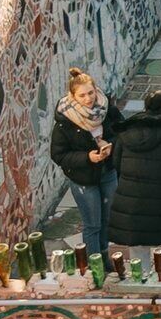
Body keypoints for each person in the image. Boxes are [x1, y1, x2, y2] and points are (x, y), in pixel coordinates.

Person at [105, 90, 161, 269]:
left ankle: (142, 286)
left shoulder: (126, 131)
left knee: (138, 247)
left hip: (131, 200)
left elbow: (117, 164)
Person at [49, 70, 116, 263]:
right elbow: (58, 154)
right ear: (72, 96)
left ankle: (105, 259)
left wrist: (109, 144)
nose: (88, 99)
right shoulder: (65, 120)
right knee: (93, 224)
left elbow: (121, 131)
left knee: (107, 220)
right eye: (82, 95)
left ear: (96, 90)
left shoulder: (106, 108)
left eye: (91, 93)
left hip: (108, 173)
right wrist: (87, 157)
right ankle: (95, 266)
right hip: (83, 179)